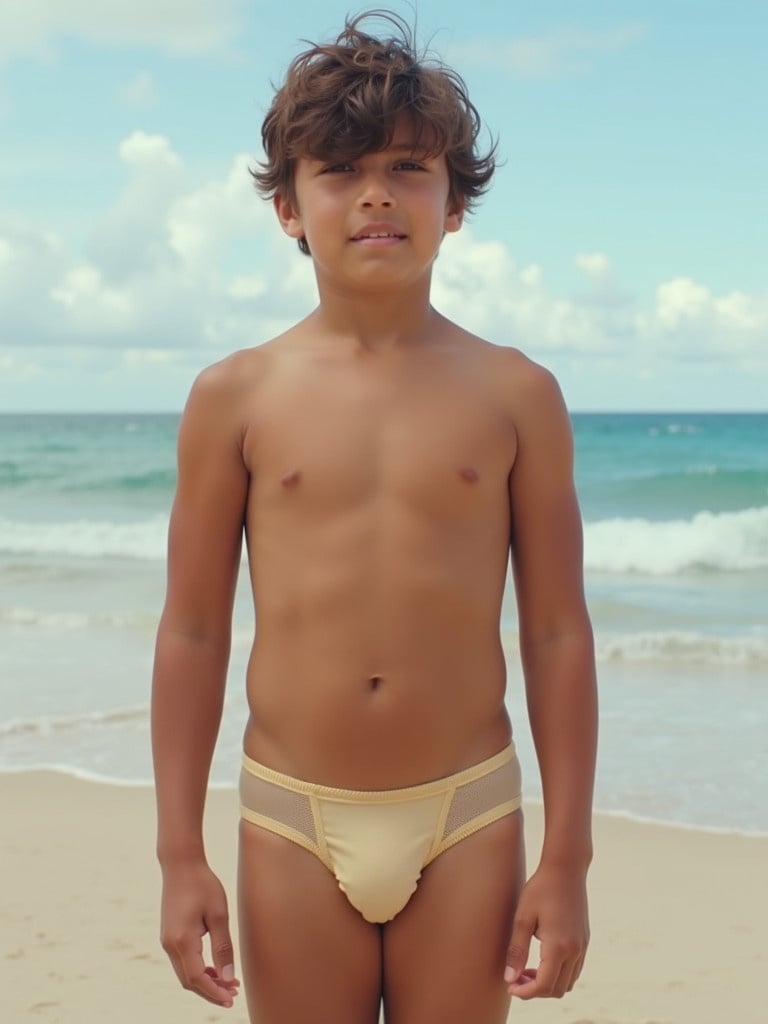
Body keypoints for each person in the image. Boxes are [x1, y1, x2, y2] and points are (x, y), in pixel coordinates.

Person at [151, 10, 598, 1024]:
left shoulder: (516, 392)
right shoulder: (237, 394)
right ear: (288, 208)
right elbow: (191, 628)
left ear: (454, 203)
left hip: (468, 811)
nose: (375, 196)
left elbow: (560, 630)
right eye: (339, 170)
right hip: (292, 815)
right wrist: (181, 854)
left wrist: (566, 857)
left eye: (408, 168)